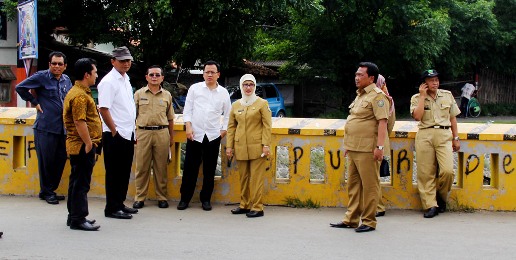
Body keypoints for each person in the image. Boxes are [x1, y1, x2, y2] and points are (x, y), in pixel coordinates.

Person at [330, 62, 389, 233]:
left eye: (360, 75)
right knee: (353, 185)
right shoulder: (360, 96)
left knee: (370, 186)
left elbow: (382, 123)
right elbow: (355, 120)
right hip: (354, 147)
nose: (356, 78)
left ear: (371, 78)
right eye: (356, 74)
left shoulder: (378, 97)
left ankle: (369, 221)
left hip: (367, 149)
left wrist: (379, 147)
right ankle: (351, 218)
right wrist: (348, 144)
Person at [16, 51, 72, 205]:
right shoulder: (41, 77)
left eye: (60, 64)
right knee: (46, 161)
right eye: (54, 63)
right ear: (49, 64)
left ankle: (49, 190)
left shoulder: (67, 80)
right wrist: (34, 101)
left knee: (60, 160)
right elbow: (20, 87)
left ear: (65, 66)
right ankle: (47, 192)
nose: (57, 66)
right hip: (45, 126)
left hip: (62, 128)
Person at [177, 60, 231, 211]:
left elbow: (228, 115)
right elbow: (187, 110)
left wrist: (223, 130)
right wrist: (188, 127)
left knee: (209, 169)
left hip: (213, 136)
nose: (209, 74)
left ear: (218, 75)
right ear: (203, 73)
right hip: (195, 134)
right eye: (207, 72)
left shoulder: (223, 93)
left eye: (212, 72)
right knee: (189, 169)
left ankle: (206, 199)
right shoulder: (195, 89)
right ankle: (184, 198)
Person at [410, 69, 460, 218]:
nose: (435, 82)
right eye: (431, 80)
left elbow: (453, 118)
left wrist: (456, 137)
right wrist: (422, 97)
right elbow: (417, 117)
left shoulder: (447, 95)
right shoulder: (416, 98)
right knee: (426, 173)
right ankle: (430, 205)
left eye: (436, 79)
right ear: (424, 83)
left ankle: (441, 198)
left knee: (448, 171)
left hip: (444, 134)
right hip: (425, 134)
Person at [98, 46, 138, 219]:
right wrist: (114, 130)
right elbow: (104, 109)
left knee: (124, 171)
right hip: (115, 133)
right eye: (122, 61)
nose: (126, 64)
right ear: (113, 61)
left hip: (127, 132)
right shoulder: (108, 81)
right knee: (114, 173)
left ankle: (119, 203)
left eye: (128, 60)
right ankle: (112, 208)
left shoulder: (125, 79)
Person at [63, 58, 102, 231]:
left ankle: (73, 216)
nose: (96, 76)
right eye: (94, 72)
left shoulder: (79, 92)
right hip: (81, 145)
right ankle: (78, 218)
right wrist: (88, 143)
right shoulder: (79, 96)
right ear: (86, 75)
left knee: (76, 181)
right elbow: (80, 122)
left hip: (77, 144)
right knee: (81, 183)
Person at [226, 74, 272, 218]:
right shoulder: (236, 105)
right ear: (241, 86)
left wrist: (266, 145)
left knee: (256, 178)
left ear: (255, 86)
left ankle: (258, 207)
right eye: (245, 84)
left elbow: (267, 126)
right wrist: (229, 146)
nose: (248, 87)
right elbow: (231, 127)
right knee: (243, 177)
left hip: (257, 147)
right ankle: (244, 205)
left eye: (251, 84)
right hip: (240, 147)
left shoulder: (262, 103)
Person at [133, 66, 175, 209]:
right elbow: (133, 116)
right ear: (146, 77)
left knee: (161, 167)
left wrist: (171, 137)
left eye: (158, 75)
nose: (154, 77)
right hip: (143, 133)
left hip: (162, 133)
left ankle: (162, 197)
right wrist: (135, 134)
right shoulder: (139, 94)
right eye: (151, 74)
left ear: (162, 78)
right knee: (142, 167)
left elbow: (170, 119)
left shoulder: (167, 95)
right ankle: (140, 197)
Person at [375, 74, 396, 218]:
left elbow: (387, 124)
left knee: (372, 177)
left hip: (375, 143)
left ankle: (377, 207)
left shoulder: (382, 99)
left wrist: (380, 144)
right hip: (368, 142)